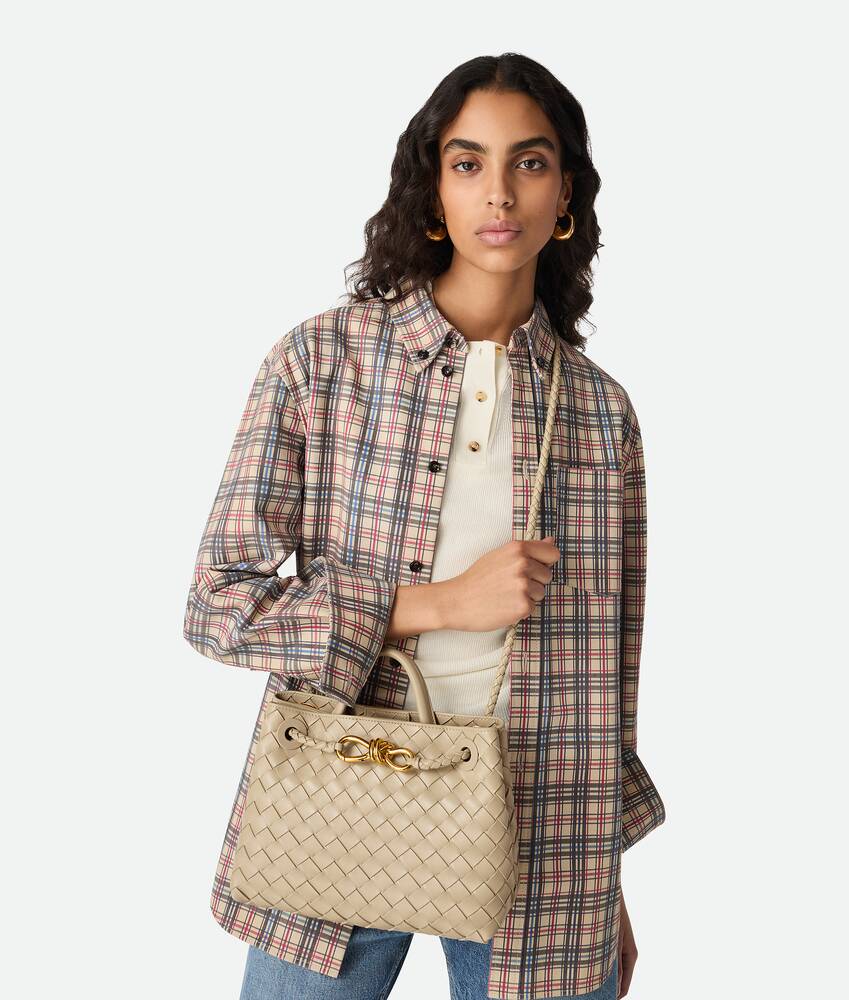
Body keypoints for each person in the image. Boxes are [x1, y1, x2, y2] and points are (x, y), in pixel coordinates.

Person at [183, 52, 665, 1000]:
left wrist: (604, 874)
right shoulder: (322, 363)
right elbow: (216, 605)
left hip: (545, 836)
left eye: (530, 163)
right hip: (337, 796)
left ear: (566, 193)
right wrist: (437, 604)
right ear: (432, 191)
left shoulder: (599, 413)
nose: (499, 193)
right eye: (467, 162)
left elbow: (608, 675)